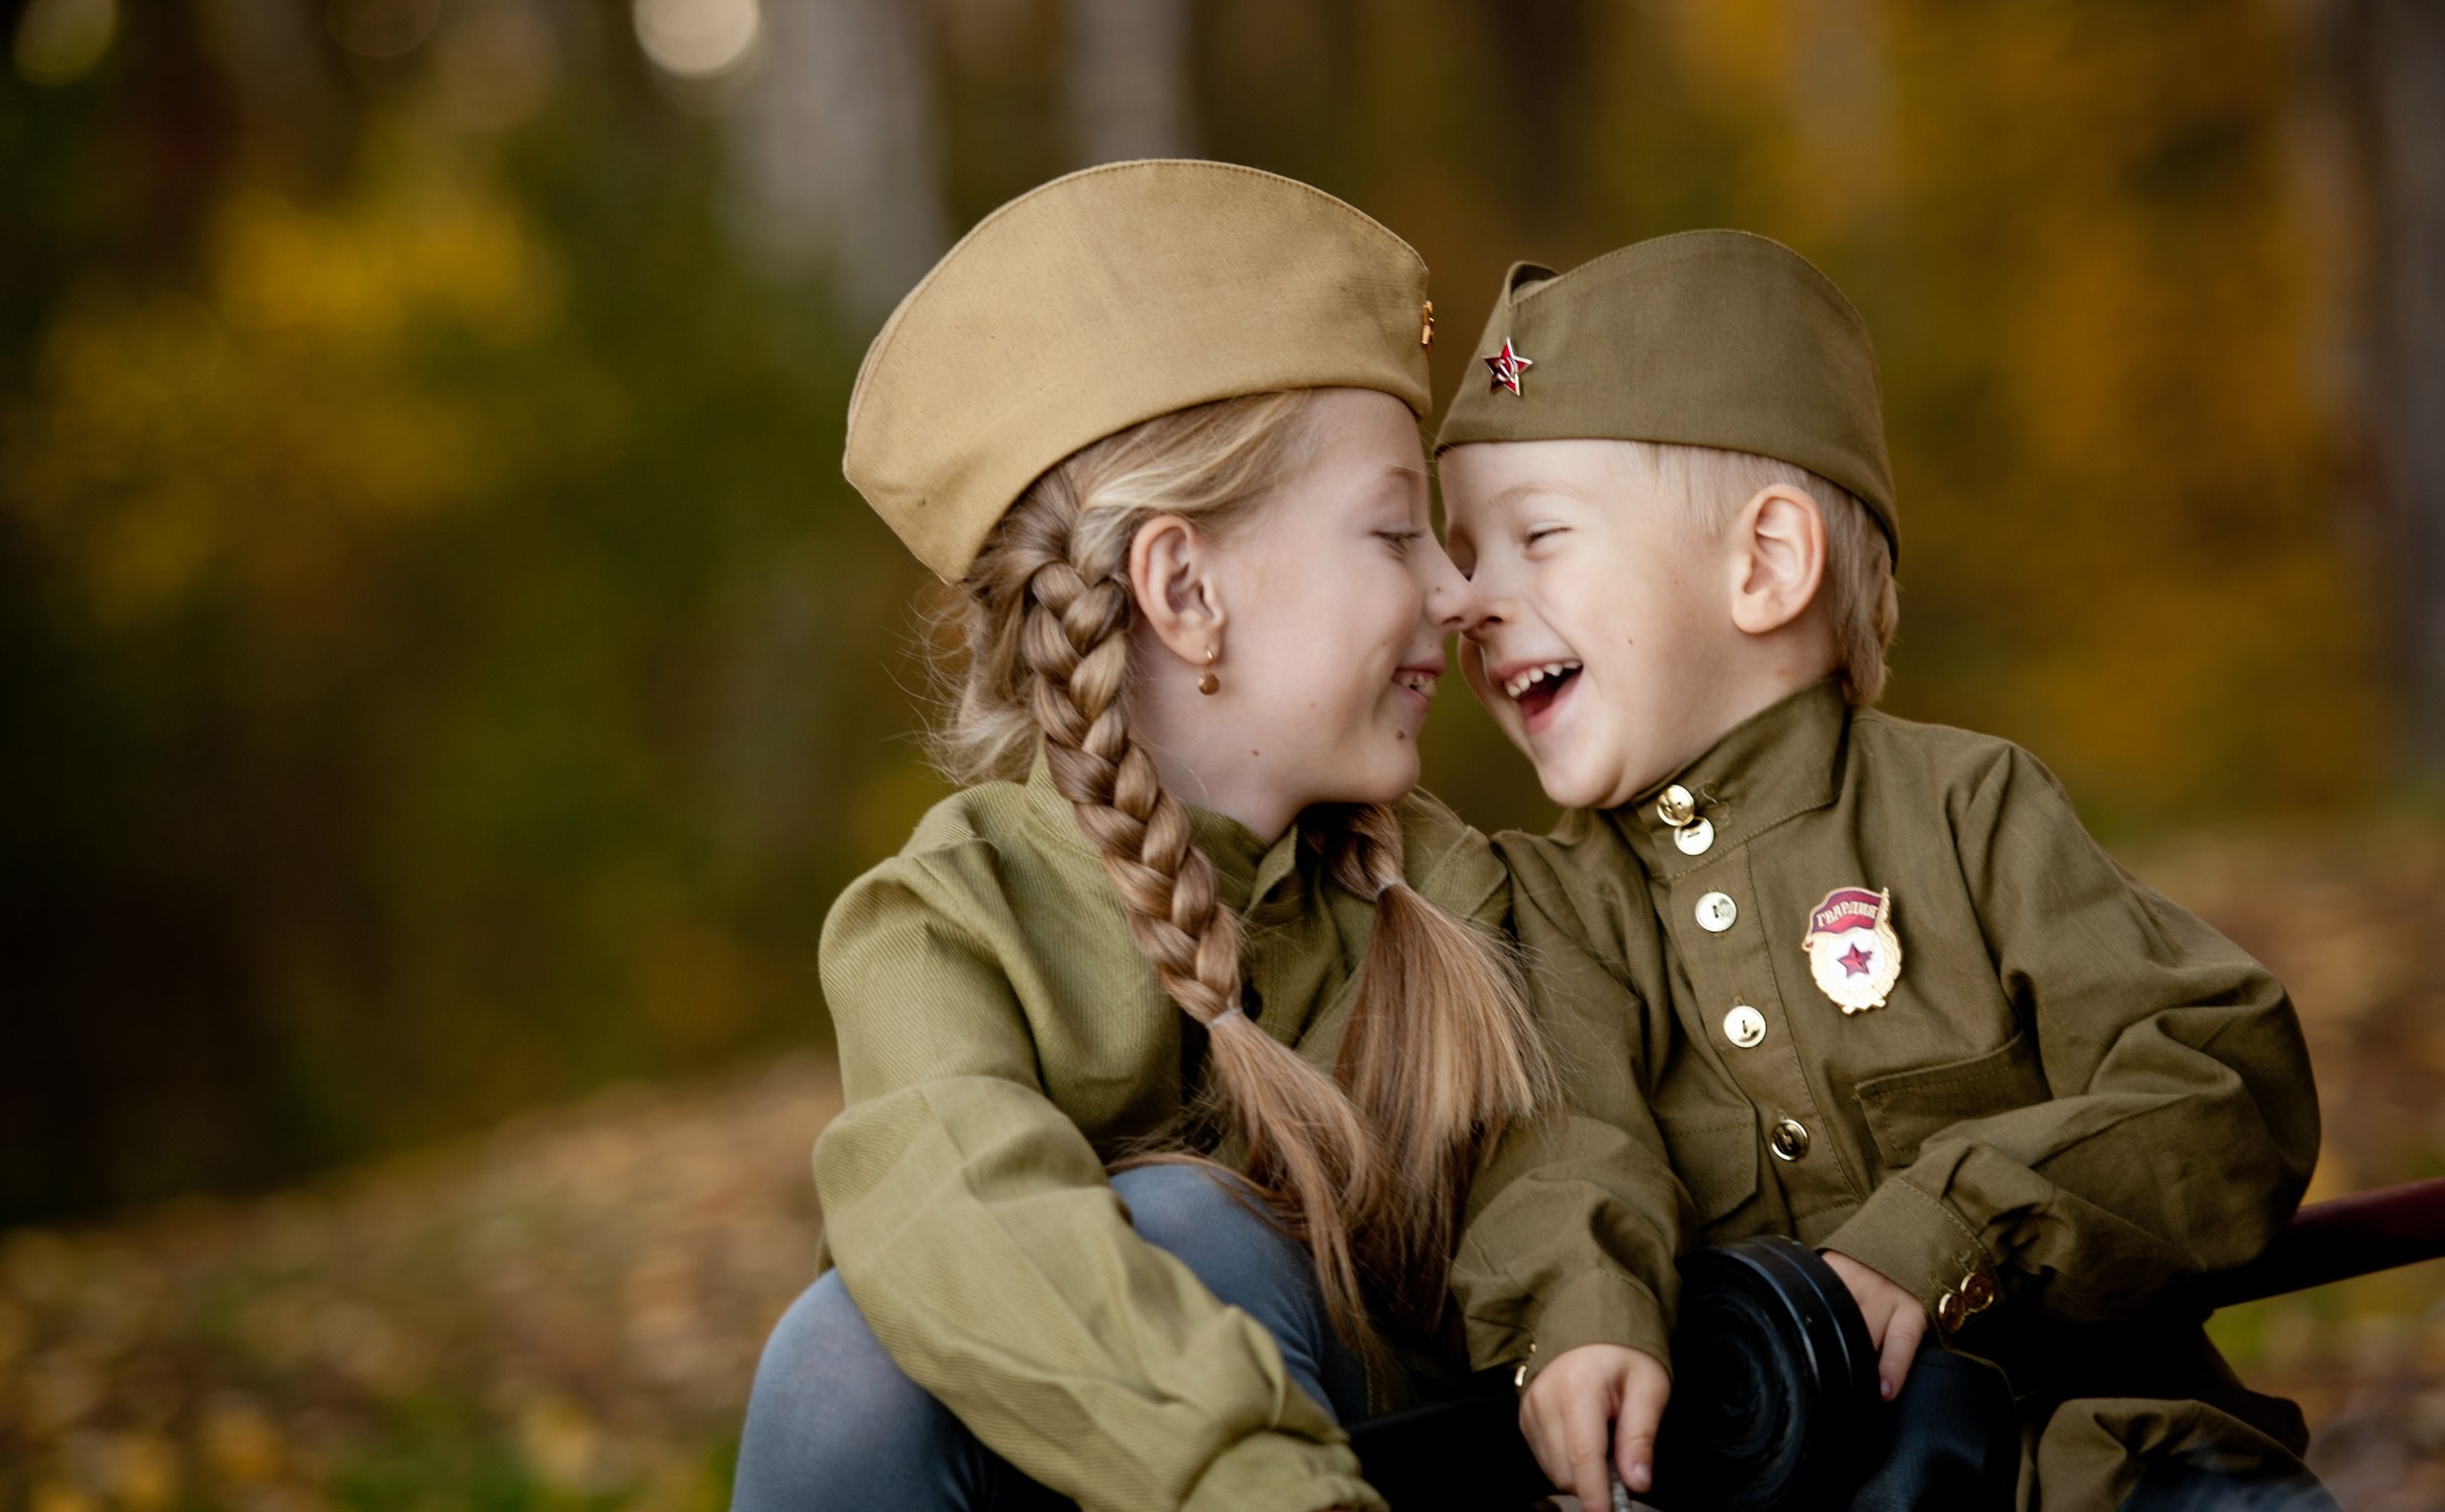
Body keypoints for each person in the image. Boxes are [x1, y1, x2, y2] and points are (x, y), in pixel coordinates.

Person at [1434, 230, 2333, 1510]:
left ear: (1766, 565)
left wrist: (1950, 1229)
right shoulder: (1555, 909)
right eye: (1464, 555)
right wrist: (1581, 1317)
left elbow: (2219, 1074)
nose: (1470, 601)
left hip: (2114, 1469)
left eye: (1536, 539)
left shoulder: (1969, 812)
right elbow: (1566, 1156)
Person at [731, 160, 1557, 1512]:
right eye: (1399, 532)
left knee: (1186, 1233)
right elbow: (948, 1207)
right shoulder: (951, 918)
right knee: (845, 1356)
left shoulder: (1459, 891)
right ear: (1184, 589)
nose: (1461, 591)